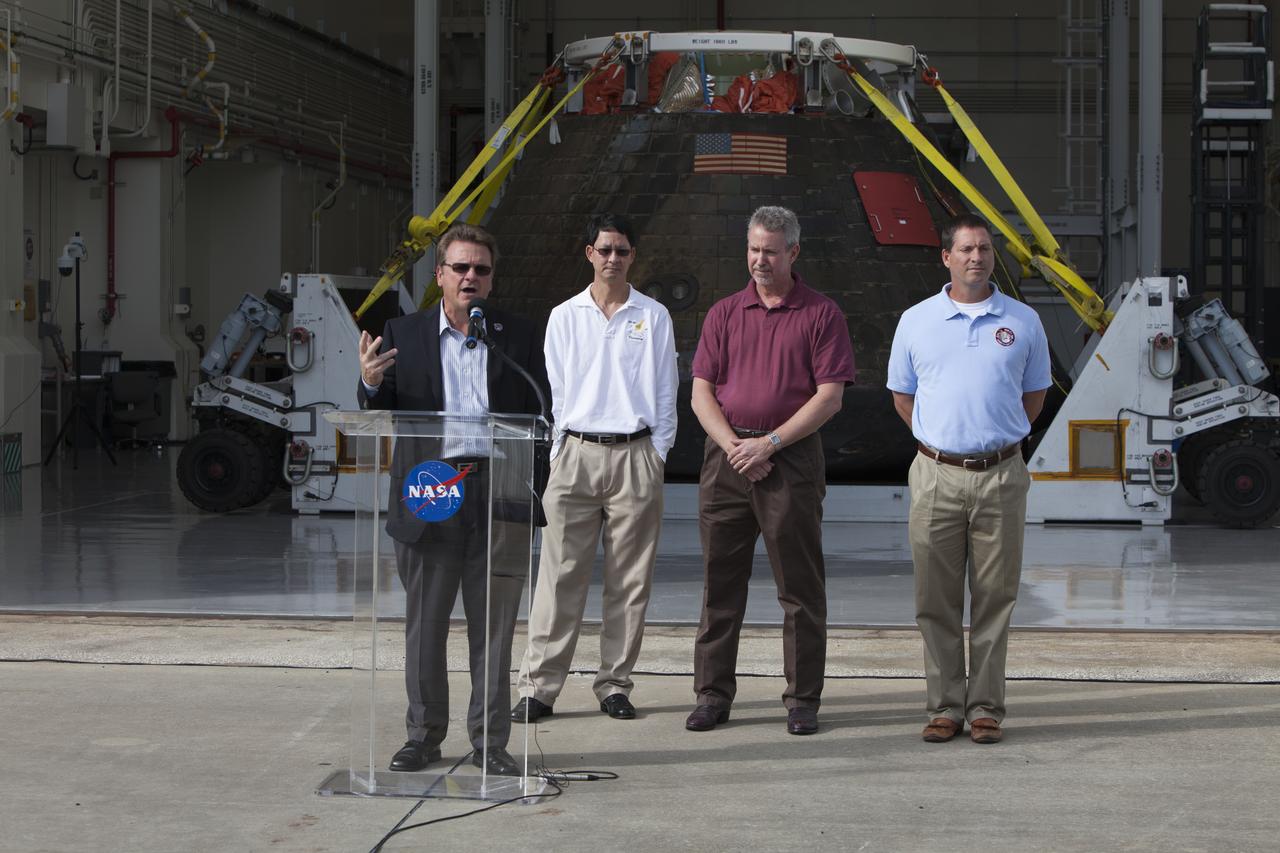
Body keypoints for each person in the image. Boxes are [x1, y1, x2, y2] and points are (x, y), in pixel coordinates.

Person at [356, 222, 549, 776]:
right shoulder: (403, 332)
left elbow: (542, 408)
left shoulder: (518, 335)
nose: (470, 277)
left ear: (491, 278)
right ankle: (423, 736)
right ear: (438, 274)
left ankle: (490, 742)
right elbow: (374, 409)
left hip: (500, 490)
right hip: (432, 490)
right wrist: (369, 382)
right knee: (427, 624)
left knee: (494, 626)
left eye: (480, 269)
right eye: (460, 267)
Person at [685, 206, 855, 736]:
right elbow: (700, 393)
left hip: (791, 458)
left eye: (771, 251)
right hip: (727, 458)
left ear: (794, 253)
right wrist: (737, 446)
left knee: (800, 588)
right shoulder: (724, 313)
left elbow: (829, 398)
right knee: (719, 585)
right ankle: (712, 694)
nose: (760, 260)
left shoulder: (822, 314)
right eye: (754, 249)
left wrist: (770, 444)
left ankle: (803, 699)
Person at [886, 213, 1051, 745]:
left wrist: (998, 436)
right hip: (936, 475)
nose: (976, 257)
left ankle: (985, 708)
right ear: (946, 257)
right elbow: (902, 395)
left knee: (995, 598)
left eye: (984, 248)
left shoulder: (1023, 321)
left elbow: (1035, 394)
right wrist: (939, 440)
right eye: (966, 249)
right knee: (934, 598)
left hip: (1001, 475)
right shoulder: (916, 320)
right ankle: (943, 707)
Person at [512, 213, 678, 723]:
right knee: (559, 576)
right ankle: (539, 686)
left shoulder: (652, 316)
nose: (612, 258)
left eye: (622, 251)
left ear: (633, 256)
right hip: (576, 454)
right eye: (604, 250)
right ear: (589, 253)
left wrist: (658, 453)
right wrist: (561, 450)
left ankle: (614, 685)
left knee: (629, 580)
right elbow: (557, 391)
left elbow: (666, 390)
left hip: (636, 453)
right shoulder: (564, 315)